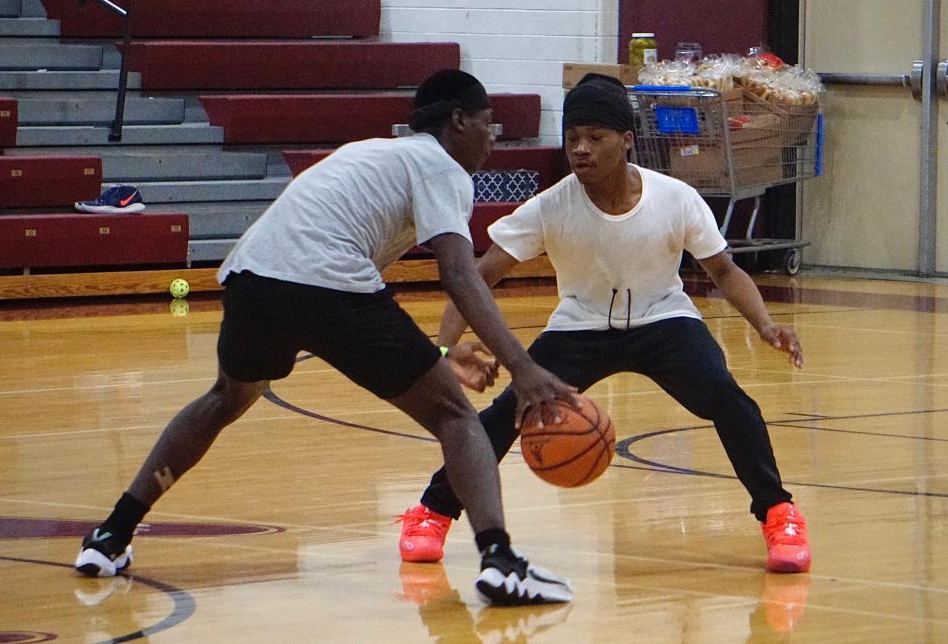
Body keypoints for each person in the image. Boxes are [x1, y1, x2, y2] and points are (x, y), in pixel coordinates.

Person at [73, 69, 580, 606]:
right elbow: (457, 273)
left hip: (253, 278)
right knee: (456, 418)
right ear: (458, 120)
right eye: (487, 123)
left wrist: (436, 350)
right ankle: (499, 559)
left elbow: (339, 284)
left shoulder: (372, 154)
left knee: (225, 397)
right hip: (326, 280)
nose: (493, 136)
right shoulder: (440, 165)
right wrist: (523, 367)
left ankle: (111, 535)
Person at [397, 73, 812, 574]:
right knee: (506, 413)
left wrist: (766, 325)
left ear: (627, 141)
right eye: (572, 138)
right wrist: (442, 351)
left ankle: (779, 513)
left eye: (595, 137)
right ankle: (431, 512)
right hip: (581, 327)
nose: (580, 149)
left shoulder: (674, 196)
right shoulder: (551, 205)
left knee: (729, 399)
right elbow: (476, 277)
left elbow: (723, 269)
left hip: (665, 320)